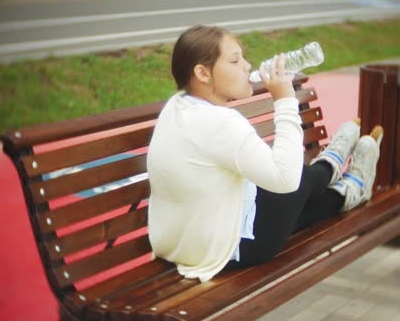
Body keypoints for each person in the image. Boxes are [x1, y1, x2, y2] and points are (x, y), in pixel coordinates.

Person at [147, 25, 383, 283]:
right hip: (230, 250)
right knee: (296, 182)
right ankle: (330, 168)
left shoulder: (177, 106)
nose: (247, 66)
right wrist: (284, 99)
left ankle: (344, 186)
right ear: (203, 73)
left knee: (292, 202)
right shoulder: (221, 122)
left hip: (182, 244)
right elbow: (287, 180)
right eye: (235, 60)